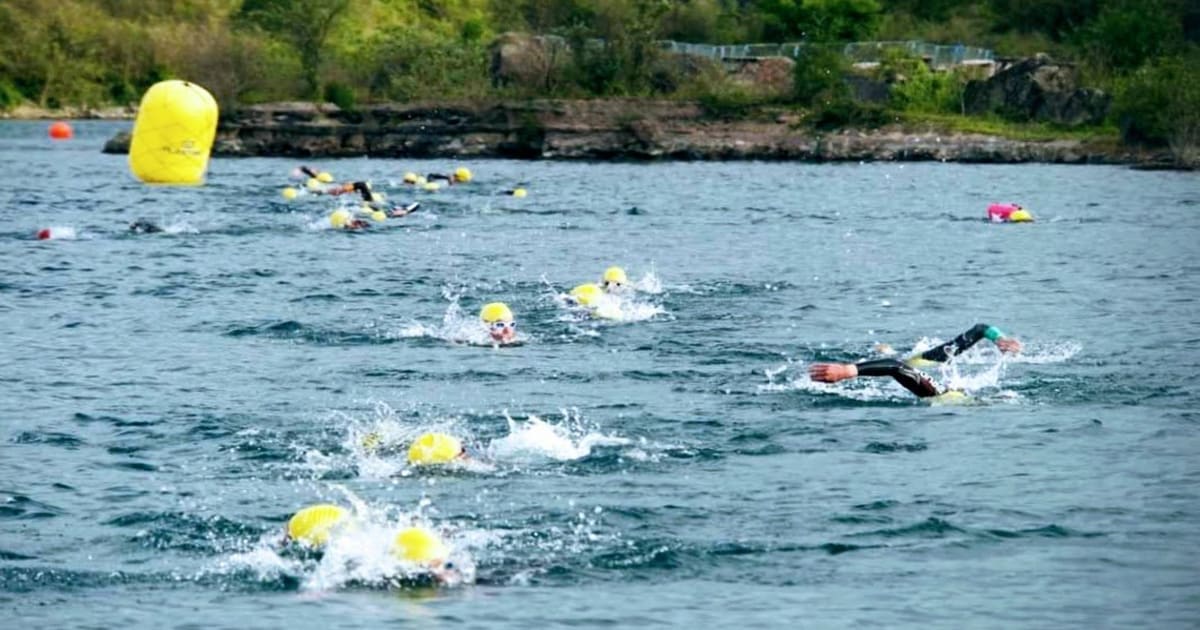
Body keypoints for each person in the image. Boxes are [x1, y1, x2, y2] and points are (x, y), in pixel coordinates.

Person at [808, 323, 1022, 398]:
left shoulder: (939, 395)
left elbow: (895, 367)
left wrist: (847, 371)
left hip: (915, 367)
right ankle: (883, 349)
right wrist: (1001, 339)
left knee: (895, 358)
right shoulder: (939, 388)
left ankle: (882, 349)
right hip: (922, 362)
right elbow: (980, 329)